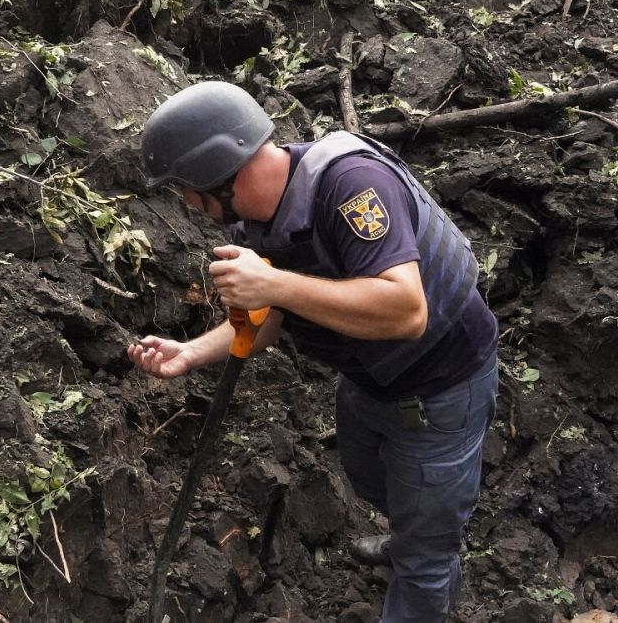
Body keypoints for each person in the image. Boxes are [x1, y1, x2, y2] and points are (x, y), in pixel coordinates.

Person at [131, 81, 499, 623]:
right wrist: (190, 353)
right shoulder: (255, 222)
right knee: (373, 479)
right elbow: (268, 319)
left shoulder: (352, 187)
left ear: (218, 172)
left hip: (444, 384)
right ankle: (413, 533)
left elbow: (405, 309)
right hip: (369, 381)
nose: (186, 203)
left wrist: (275, 285)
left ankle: (423, 555)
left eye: (186, 188)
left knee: (426, 557)